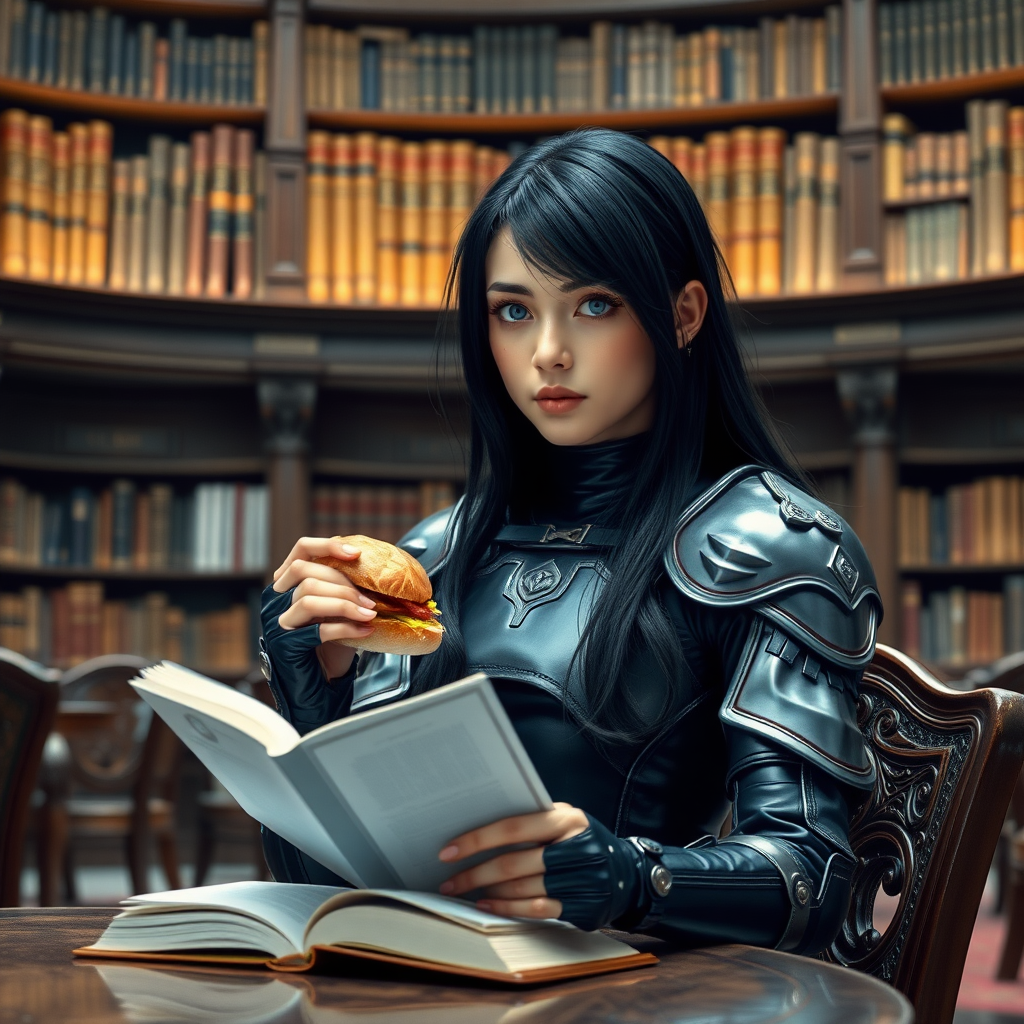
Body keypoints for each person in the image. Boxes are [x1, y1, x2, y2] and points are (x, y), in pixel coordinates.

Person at [258, 129, 882, 956]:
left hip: (651, 998)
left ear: (683, 314)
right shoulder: (436, 555)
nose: (547, 353)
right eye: (514, 311)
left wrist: (633, 879)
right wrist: (310, 703)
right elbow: (334, 889)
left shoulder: (771, 547)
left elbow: (812, 877)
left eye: (594, 305)